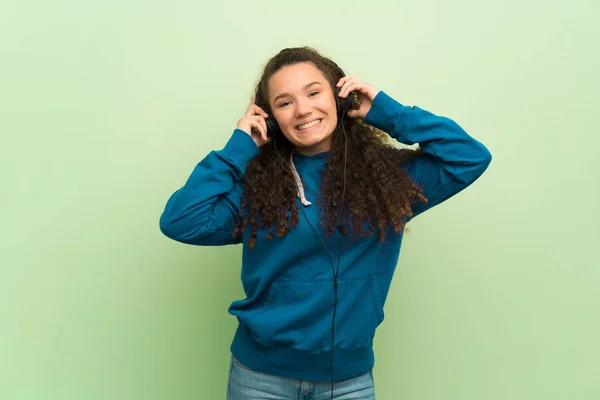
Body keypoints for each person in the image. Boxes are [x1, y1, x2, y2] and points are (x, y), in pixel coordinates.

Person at [159, 46, 492, 399]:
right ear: (270, 117)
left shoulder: (390, 180)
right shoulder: (256, 187)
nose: (303, 109)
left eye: (314, 93)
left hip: (349, 381)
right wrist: (239, 147)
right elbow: (181, 220)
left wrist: (386, 112)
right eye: (284, 103)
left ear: (341, 99)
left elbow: (469, 156)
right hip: (260, 379)